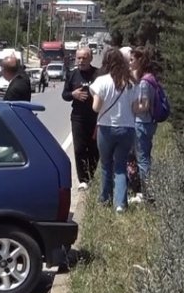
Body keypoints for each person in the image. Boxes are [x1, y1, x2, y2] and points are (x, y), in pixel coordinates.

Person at [89, 48, 139, 213]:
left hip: (106, 127)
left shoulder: (101, 81)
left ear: (106, 62)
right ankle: (120, 204)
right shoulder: (131, 83)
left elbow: (95, 108)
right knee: (120, 165)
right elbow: (135, 109)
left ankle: (105, 198)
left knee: (106, 164)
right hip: (127, 128)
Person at [62, 47, 100, 189]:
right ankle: (83, 180)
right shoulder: (72, 74)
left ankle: (92, 175)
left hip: (95, 117)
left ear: (90, 59)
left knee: (94, 149)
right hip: (78, 117)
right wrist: (73, 94)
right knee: (79, 149)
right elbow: (64, 95)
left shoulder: (97, 74)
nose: (81, 61)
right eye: (79, 58)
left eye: (84, 58)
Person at [131, 46, 161, 203]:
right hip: (149, 123)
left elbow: (144, 106)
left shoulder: (144, 82)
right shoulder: (151, 78)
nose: (130, 63)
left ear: (140, 61)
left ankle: (147, 194)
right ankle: (148, 190)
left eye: (132, 60)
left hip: (142, 123)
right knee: (146, 157)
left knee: (142, 160)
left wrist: (131, 107)